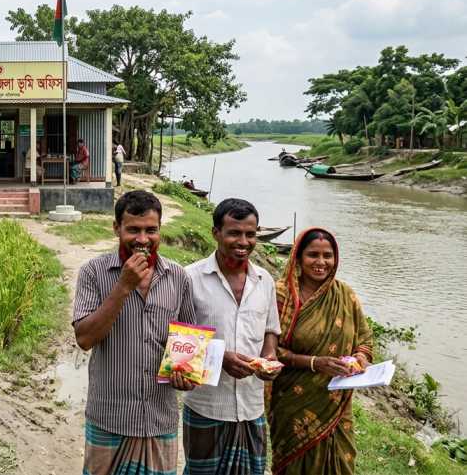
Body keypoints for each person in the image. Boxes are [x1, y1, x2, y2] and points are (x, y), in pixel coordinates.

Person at [73, 190, 197, 474]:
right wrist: (123, 287)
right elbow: (84, 339)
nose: (142, 240)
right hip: (109, 417)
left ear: (160, 230)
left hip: (159, 418)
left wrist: (186, 376)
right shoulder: (94, 272)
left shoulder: (177, 277)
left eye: (150, 230)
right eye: (133, 230)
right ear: (116, 228)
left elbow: (189, 342)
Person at [182, 198, 281, 475]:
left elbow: (270, 329)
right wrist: (221, 358)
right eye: (234, 233)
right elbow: (179, 344)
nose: (243, 241)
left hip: (252, 406)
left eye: (250, 234)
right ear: (216, 233)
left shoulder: (265, 280)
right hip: (207, 406)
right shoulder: (190, 278)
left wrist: (269, 357)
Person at [268, 228, 374, 475]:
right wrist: (315, 362)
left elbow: (365, 337)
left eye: (328, 256)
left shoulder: (345, 295)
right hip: (291, 400)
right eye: (313, 254)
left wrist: (360, 357)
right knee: (294, 463)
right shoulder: (280, 294)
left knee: (339, 462)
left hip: (336, 403)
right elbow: (269, 351)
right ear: (298, 257)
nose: (321, 262)